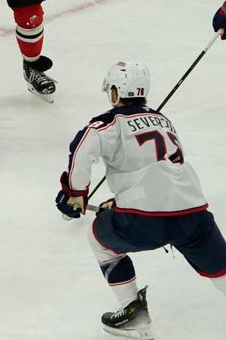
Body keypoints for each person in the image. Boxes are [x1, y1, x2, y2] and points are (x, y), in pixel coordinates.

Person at [55, 61, 226, 338]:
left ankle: (133, 311)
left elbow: (82, 145)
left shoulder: (109, 123)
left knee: (99, 239)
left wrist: (75, 194)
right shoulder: (164, 120)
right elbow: (155, 171)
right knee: (222, 269)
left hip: (147, 221)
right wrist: (120, 201)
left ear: (114, 92)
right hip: (194, 214)